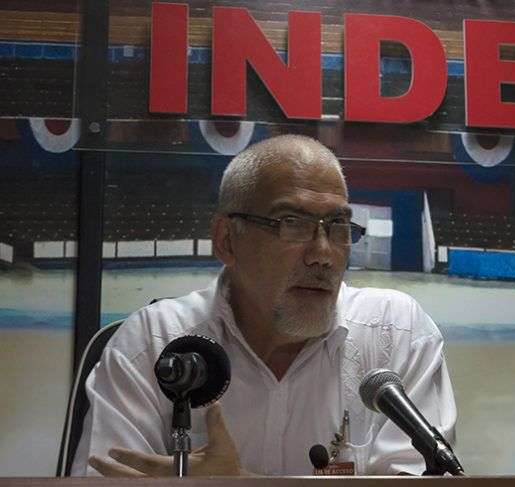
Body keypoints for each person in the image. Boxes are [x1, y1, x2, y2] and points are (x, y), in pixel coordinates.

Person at [72, 134, 457, 476]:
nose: (323, 254)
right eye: (292, 223)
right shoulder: (154, 343)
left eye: (338, 226)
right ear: (226, 240)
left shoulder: (397, 335)